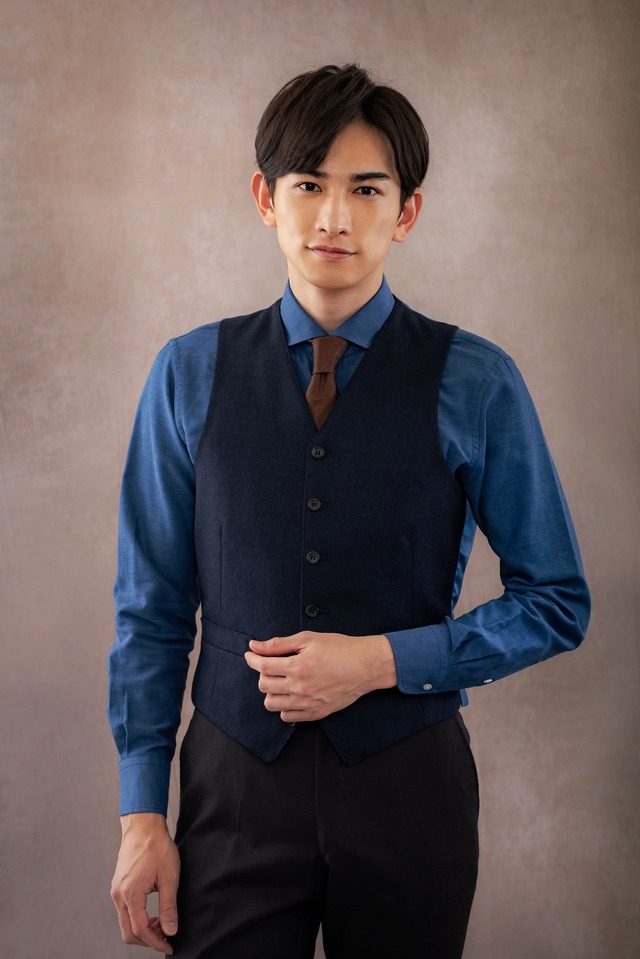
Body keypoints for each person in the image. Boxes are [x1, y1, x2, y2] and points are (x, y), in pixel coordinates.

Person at [108, 64, 590, 959]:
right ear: (266, 198)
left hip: (410, 790)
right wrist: (142, 814)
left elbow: (557, 600)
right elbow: (152, 609)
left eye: (367, 189)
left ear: (406, 212)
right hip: (232, 790)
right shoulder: (188, 372)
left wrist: (382, 660)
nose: (334, 216)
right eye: (309, 185)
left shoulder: (477, 379)